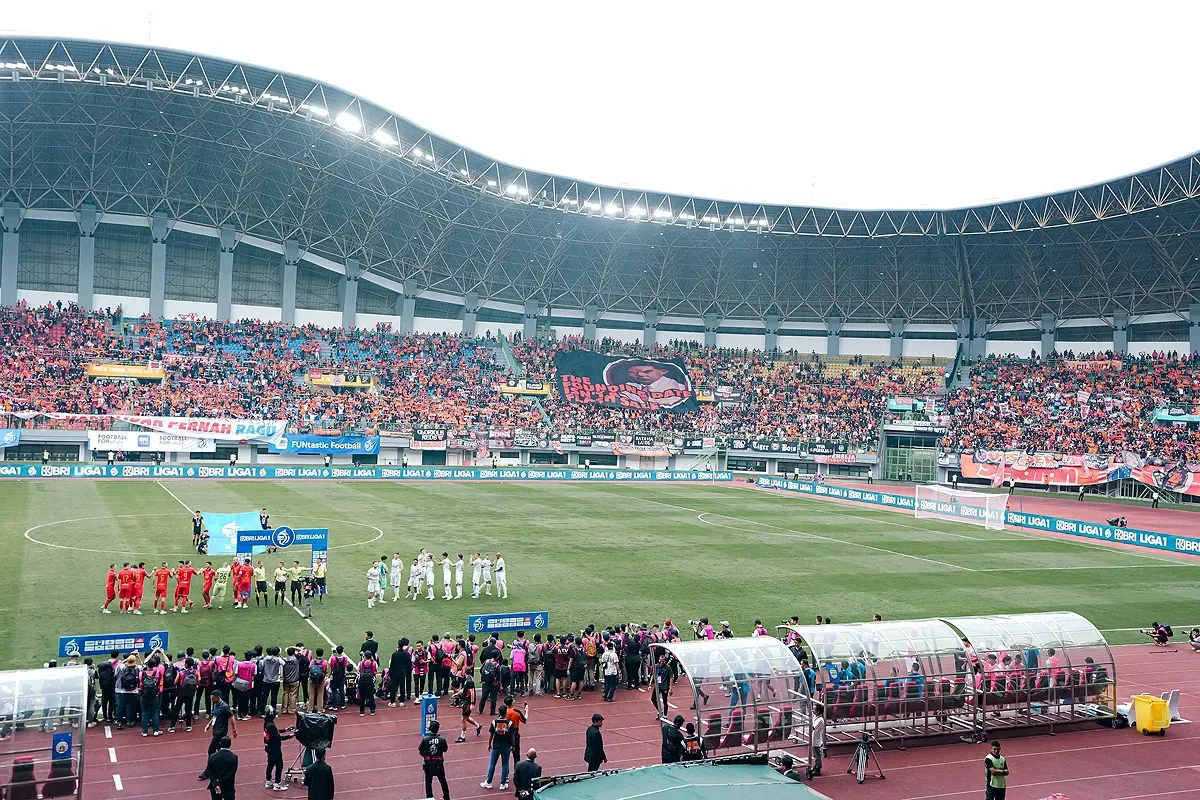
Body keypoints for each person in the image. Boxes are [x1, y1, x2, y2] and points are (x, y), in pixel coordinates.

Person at [482, 705, 514, 791]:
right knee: (505, 764)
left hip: (496, 745)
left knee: (492, 764)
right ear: (506, 712)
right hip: (506, 746)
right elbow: (512, 736)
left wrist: (489, 744)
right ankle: (503, 784)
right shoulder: (509, 723)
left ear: (499, 712)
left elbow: (491, 734)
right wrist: (513, 745)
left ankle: (489, 782)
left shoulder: (494, 722)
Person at [263, 705, 294, 790]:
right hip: (274, 748)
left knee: (270, 764)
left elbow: (275, 732)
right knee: (279, 765)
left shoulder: (267, 723)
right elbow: (277, 737)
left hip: (269, 747)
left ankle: (268, 781)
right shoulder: (271, 725)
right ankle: (277, 784)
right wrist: (289, 736)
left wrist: (285, 730)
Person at [418, 720, 450, 800]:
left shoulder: (425, 739)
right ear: (438, 729)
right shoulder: (442, 739)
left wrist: (426, 756)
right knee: (443, 781)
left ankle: (430, 798)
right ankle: (446, 797)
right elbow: (445, 749)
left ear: (430, 729)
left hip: (428, 763)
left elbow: (420, 750)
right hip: (439, 763)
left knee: (428, 782)